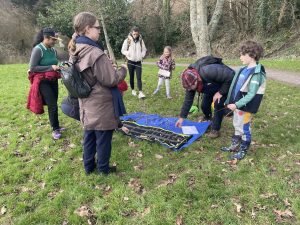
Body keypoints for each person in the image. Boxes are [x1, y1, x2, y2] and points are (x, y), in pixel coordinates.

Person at [68, 12, 127, 175]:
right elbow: (110, 80)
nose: (99, 30)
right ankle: (103, 169)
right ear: (87, 29)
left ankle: (88, 167)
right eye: (97, 27)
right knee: (103, 138)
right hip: (100, 104)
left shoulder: (75, 48)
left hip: (86, 103)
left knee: (89, 136)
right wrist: (123, 70)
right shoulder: (95, 52)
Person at [221, 41, 266, 160]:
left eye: (242, 54)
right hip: (237, 105)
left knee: (245, 128)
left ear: (251, 55)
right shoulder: (242, 70)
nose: (240, 57)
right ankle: (235, 145)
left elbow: (251, 94)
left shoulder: (256, 73)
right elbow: (234, 87)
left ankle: (243, 149)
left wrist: (236, 104)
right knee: (236, 124)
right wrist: (229, 100)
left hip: (246, 107)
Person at [175, 56, 235, 138]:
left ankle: (215, 129)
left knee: (218, 104)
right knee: (204, 105)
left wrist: (220, 93)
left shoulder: (208, 71)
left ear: (196, 80)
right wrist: (182, 117)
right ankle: (208, 117)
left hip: (223, 84)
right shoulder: (189, 82)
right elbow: (188, 100)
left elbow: (231, 75)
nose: (190, 90)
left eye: (191, 87)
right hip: (210, 86)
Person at [28, 27, 64, 140]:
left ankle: (56, 125)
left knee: (54, 104)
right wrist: (50, 67)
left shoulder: (53, 50)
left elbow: (55, 62)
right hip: (42, 82)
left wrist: (59, 67)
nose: (54, 42)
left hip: (53, 80)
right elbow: (33, 67)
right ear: (46, 38)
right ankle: (55, 129)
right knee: (52, 104)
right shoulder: (38, 49)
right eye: (53, 40)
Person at [121, 26, 147, 99]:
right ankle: (133, 90)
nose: (135, 35)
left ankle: (141, 92)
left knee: (139, 77)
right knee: (131, 76)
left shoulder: (141, 40)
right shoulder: (127, 40)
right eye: (134, 34)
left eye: (136, 34)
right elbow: (122, 50)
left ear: (138, 34)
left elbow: (144, 50)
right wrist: (128, 53)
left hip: (138, 62)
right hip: (130, 62)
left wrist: (142, 55)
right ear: (131, 33)